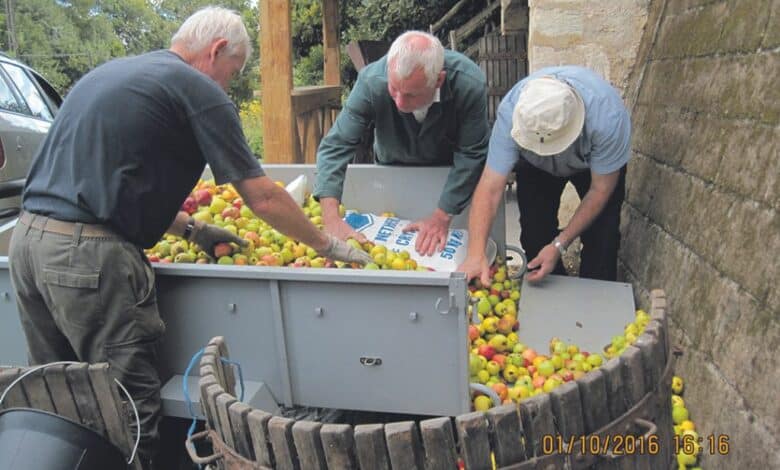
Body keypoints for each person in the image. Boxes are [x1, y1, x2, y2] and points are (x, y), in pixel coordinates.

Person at [8, 7, 370, 469]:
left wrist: (193, 229)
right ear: (216, 51)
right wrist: (327, 245)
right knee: (128, 406)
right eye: (232, 73)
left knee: (58, 396)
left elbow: (109, 183)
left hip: (27, 244)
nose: (227, 86)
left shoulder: (114, 74)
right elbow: (261, 196)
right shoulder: (197, 88)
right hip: (87, 260)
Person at [314, 31, 489, 256]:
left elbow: (472, 153)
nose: (399, 102)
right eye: (393, 89)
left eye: (411, 95)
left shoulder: (468, 83)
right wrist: (331, 219)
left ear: (438, 80)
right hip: (391, 171)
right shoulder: (371, 81)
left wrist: (442, 215)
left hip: (449, 179)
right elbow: (336, 146)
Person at [458, 66, 631, 286]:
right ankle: (553, 302)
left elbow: (600, 190)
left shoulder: (607, 119)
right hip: (534, 165)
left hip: (592, 166)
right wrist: (475, 253)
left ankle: (595, 302)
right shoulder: (511, 113)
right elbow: (490, 187)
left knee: (603, 236)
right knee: (535, 235)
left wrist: (560, 245)